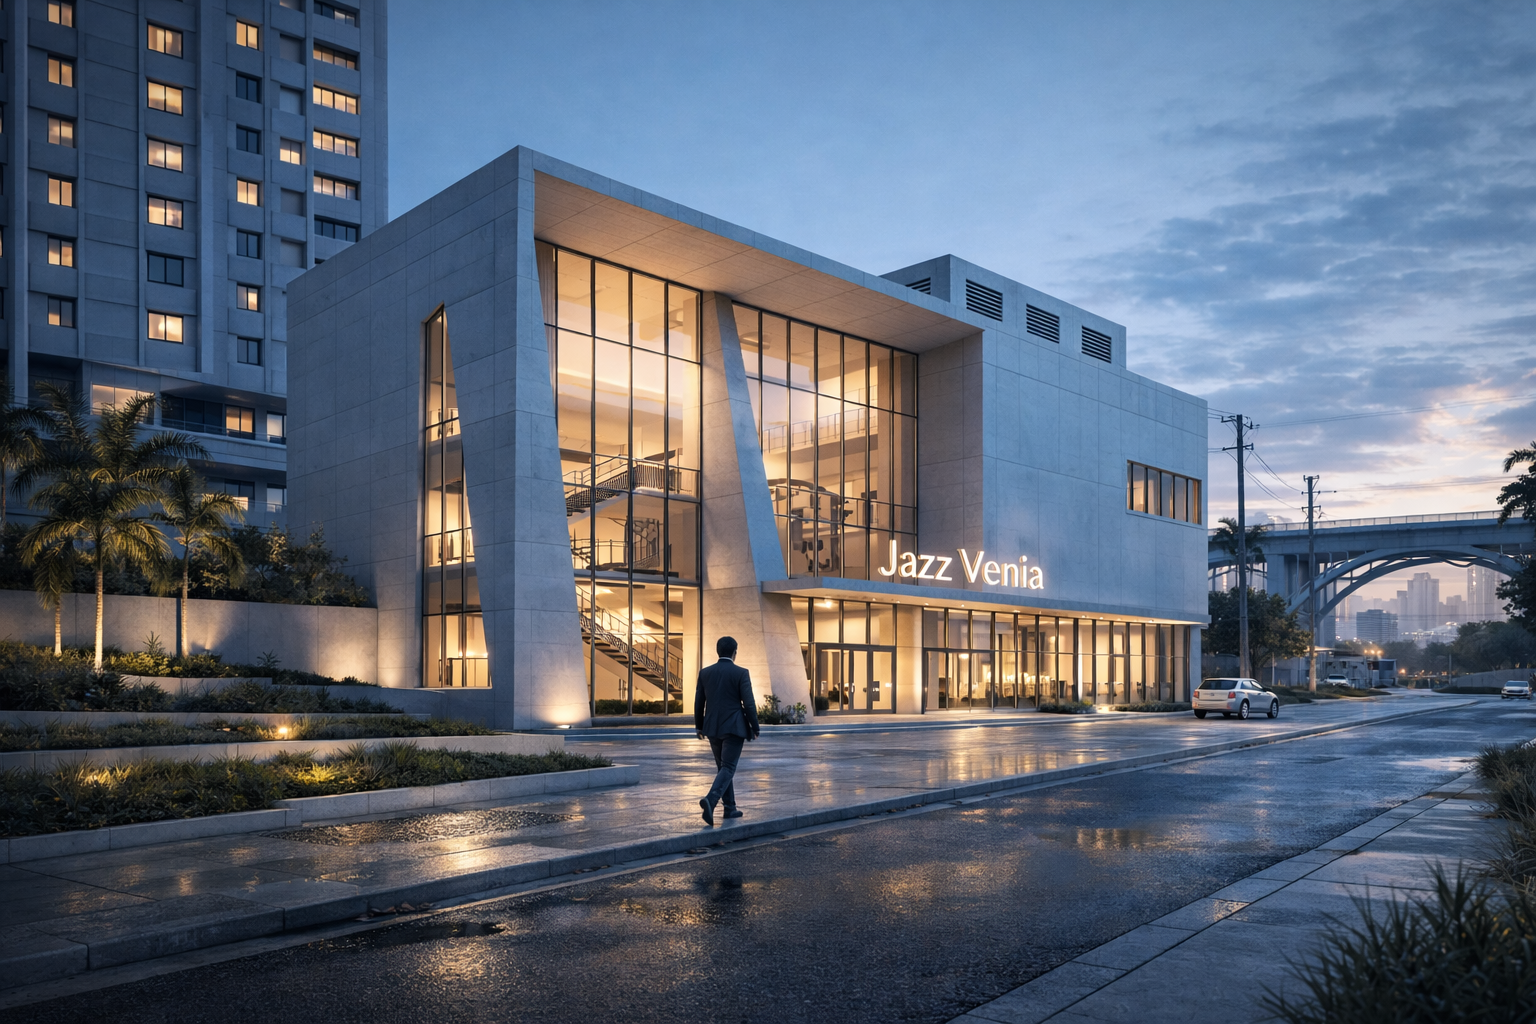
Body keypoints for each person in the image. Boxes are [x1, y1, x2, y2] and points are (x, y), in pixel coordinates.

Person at [694, 635, 760, 826]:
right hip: (734, 727)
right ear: (735, 652)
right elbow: (749, 703)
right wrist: (755, 727)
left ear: (718, 651)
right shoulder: (741, 673)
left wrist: (699, 726)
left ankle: (730, 808)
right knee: (728, 767)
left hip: (712, 727)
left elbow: (699, 702)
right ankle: (711, 800)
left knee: (723, 767)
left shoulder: (705, 673)